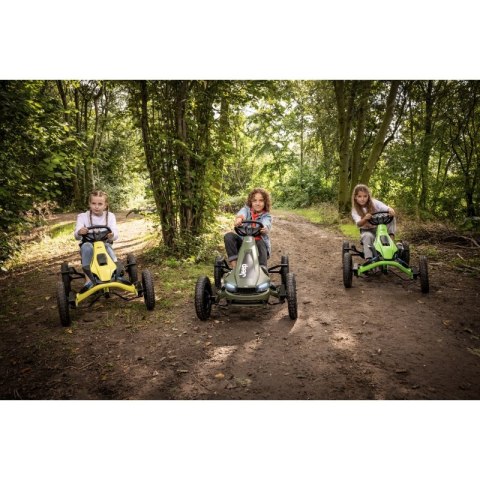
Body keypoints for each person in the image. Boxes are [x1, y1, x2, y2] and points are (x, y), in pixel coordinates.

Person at [74, 190, 119, 291]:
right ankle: (88, 280)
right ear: (89, 204)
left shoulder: (110, 216)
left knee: (107, 247)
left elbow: (115, 233)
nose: (96, 207)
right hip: (88, 244)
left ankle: (115, 272)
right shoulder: (82, 216)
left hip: (104, 243)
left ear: (105, 205)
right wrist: (80, 232)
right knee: (87, 247)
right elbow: (76, 235)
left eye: (100, 204)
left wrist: (112, 235)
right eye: (93, 203)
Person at [224, 188, 272, 268]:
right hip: (243, 243)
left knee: (260, 242)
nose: (257, 203)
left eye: (261, 200)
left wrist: (265, 228)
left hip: (258, 245)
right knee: (228, 236)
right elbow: (242, 213)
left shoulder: (266, 215)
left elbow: (266, 223)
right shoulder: (246, 210)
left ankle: (262, 269)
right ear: (251, 202)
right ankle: (235, 267)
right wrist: (239, 218)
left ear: (265, 202)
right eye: (255, 200)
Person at [351, 184, 396, 263]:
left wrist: (390, 210)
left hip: (379, 229)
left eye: (365, 196)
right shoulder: (355, 210)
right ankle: (369, 259)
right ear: (355, 197)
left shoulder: (374, 203)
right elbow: (358, 224)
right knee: (368, 236)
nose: (362, 199)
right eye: (360, 196)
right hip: (366, 231)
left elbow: (386, 208)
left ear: (368, 196)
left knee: (391, 217)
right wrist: (365, 218)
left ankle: (391, 239)